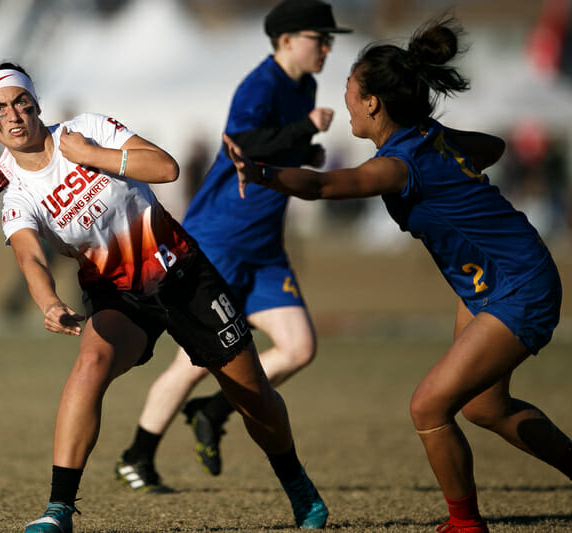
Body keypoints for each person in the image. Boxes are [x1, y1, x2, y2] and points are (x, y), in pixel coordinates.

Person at [223, 16, 572, 533]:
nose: (343, 91)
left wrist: (261, 172)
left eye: (350, 84)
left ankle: (465, 525)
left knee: (428, 407)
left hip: (519, 284)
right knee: (483, 406)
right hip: (493, 280)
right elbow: (492, 149)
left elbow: (323, 188)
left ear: (371, 103)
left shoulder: (398, 165)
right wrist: (461, 170)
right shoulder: (428, 139)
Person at [0, 62, 332, 533]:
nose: (14, 115)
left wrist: (93, 156)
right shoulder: (16, 191)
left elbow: (166, 167)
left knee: (252, 397)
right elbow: (31, 259)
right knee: (89, 367)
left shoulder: (86, 130)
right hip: (117, 294)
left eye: (21, 102)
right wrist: (49, 303)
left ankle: (299, 488)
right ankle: (58, 511)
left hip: (183, 274)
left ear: (36, 103)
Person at [116, 0, 351, 492]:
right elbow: (245, 144)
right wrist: (306, 129)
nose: (327, 46)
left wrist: (305, 151)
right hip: (219, 241)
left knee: (299, 346)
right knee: (192, 363)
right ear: (286, 40)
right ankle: (136, 457)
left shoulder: (304, 85)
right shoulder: (260, 84)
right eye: (318, 37)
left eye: (330, 39)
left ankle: (215, 409)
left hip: (264, 247)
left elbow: (275, 149)